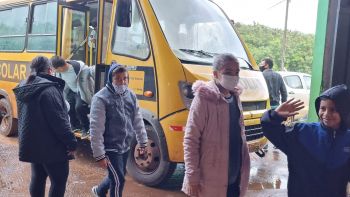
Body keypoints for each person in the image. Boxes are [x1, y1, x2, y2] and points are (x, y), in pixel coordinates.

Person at [261, 84, 350, 197]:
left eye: (333, 110)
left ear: (344, 111)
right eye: (323, 108)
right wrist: (275, 116)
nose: (326, 114)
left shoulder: (347, 139)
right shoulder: (302, 132)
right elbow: (270, 129)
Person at [182, 53, 250, 197]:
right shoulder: (204, 98)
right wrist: (192, 175)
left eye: (237, 72)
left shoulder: (235, 97)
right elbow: (191, 139)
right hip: (211, 179)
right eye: (228, 72)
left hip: (235, 177)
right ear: (215, 74)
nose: (234, 76)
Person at [13, 56, 77, 197]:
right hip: (52, 147)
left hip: (33, 144)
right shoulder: (49, 89)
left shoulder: (25, 86)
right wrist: (72, 143)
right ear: (49, 70)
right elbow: (60, 121)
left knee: (38, 178)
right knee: (58, 182)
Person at [90, 63, 148, 197]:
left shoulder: (131, 95)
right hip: (110, 147)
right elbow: (96, 129)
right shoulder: (100, 98)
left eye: (125, 78)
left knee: (117, 175)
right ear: (110, 79)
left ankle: (99, 191)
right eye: (118, 79)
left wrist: (143, 142)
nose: (122, 82)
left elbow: (137, 120)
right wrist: (99, 154)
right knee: (118, 180)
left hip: (125, 146)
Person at [50, 56, 95, 139]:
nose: (53, 71)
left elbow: (92, 71)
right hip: (70, 90)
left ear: (60, 68)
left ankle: (86, 128)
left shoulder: (79, 68)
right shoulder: (59, 72)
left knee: (79, 107)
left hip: (81, 90)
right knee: (68, 106)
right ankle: (76, 126)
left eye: (54, 69)